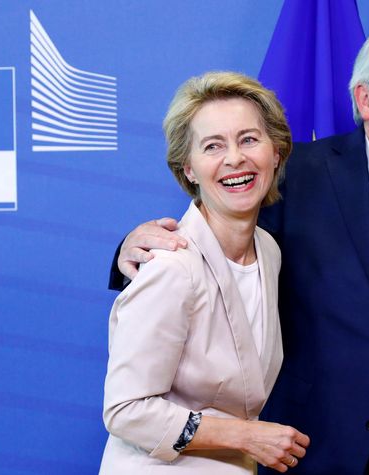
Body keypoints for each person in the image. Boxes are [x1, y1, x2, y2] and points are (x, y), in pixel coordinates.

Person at [110, 22, 369, 474]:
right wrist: (130, 254)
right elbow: (217, 247)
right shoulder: (292, 176)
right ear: (365, 99)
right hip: (305, 456)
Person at [99, 71, 309, 474]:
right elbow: (125, 410)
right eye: (213, 146)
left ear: (276, 153)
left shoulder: (268, 250)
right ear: (189, 169)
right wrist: (246, 436)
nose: (235, 158)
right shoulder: (172, 265)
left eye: (249, 139)